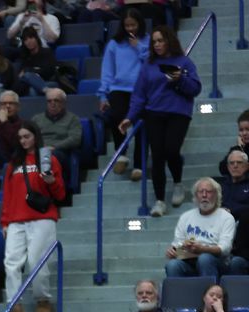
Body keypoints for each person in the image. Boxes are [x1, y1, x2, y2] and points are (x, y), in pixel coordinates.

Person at [118, 26, 201, 217]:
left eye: (160, 40)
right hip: (154, 113)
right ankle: (160, 200)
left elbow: (195, 88)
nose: (157, 45)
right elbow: (139, 95)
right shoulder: (148, 66)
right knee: (157, 156)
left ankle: (178, 183)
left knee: (171, 150)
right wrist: (129, 118)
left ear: (169, 41)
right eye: (154, 41)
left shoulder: (184, 62)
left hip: (179, 113)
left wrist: (180, 79)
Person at [1, 120, 65, 312]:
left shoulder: (49, 160)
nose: (23, 141)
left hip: (42, 217)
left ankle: (42, 299)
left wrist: (51, 182)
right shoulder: (13, 164)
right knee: (11, 262)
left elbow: (61, 194)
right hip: (16, 219)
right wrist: (5, 221)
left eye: (27, 136)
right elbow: (8, 195)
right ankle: (14, 305)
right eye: (20, 137)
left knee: (37, 261)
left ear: (35, 136)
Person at [99, 11, 149, 180]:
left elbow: (152, 64)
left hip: (140, 89)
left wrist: (139, 47)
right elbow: (107, 71)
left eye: (133, 25)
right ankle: (121, 153)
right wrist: (103, 95)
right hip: (118, 88)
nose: (130, 29)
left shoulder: (148, 41)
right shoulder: (114, 44)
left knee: (141, 125)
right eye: (127, 26)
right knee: (115, 117)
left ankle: (139, 165)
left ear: (139, 25)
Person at [163, 178, 239, 278]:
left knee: (204, 259)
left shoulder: (226, 217)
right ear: (195, 196)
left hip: (217, 261)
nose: (204, 195)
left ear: (216, 195)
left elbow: (225, 249)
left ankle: (209, 291)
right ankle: (177, 293)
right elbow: (177, 246)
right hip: (189, 259)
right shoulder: (186, 216)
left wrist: (203, 249)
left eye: (208, 192)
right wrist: (174, 251)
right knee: (172, 265)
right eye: (200, 192)